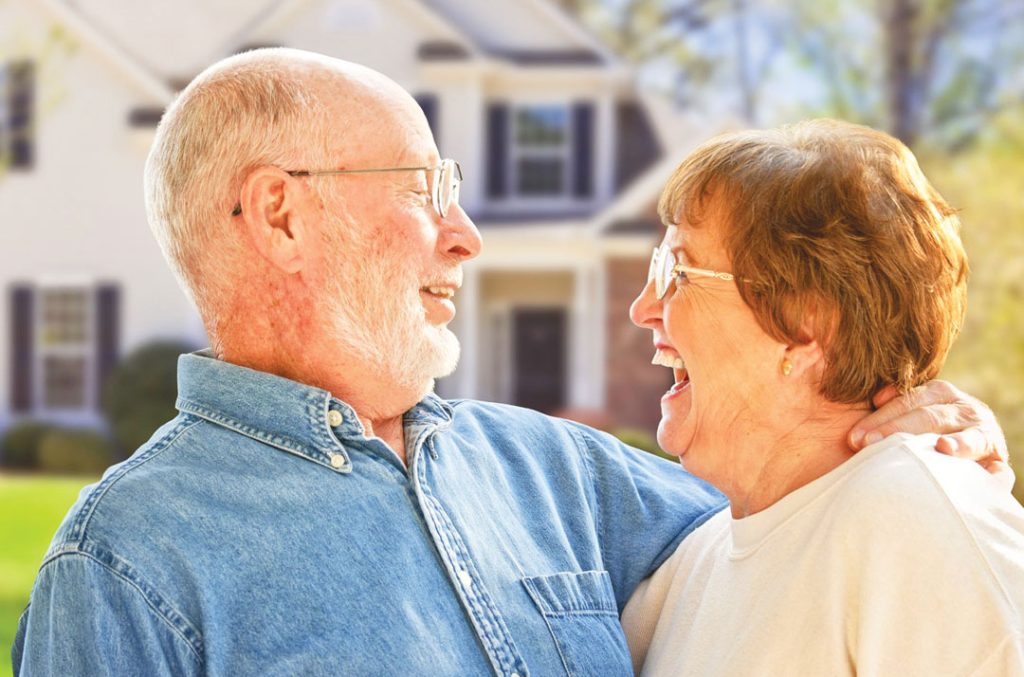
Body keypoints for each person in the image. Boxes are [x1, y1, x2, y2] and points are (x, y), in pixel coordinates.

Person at [11, 49, 1008, 676]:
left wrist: (905, 407)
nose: (466, 234)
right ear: (280, 212)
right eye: (423, 185)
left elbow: (799, 512)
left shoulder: (560, 475)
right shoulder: (125, 570)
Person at [622, 119, 1024, 675]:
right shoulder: (689, 567)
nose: (642, 307)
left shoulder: (913, 519)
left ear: (806, 324)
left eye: (678, 271)